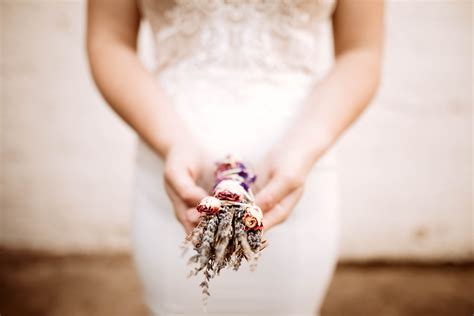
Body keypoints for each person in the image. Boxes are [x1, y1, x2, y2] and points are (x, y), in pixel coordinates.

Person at [86, 0, 383, 315]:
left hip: (295, 182)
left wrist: (301, 150)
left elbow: (361, 51)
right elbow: (109, 39)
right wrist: (172, 143)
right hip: (171, 184)